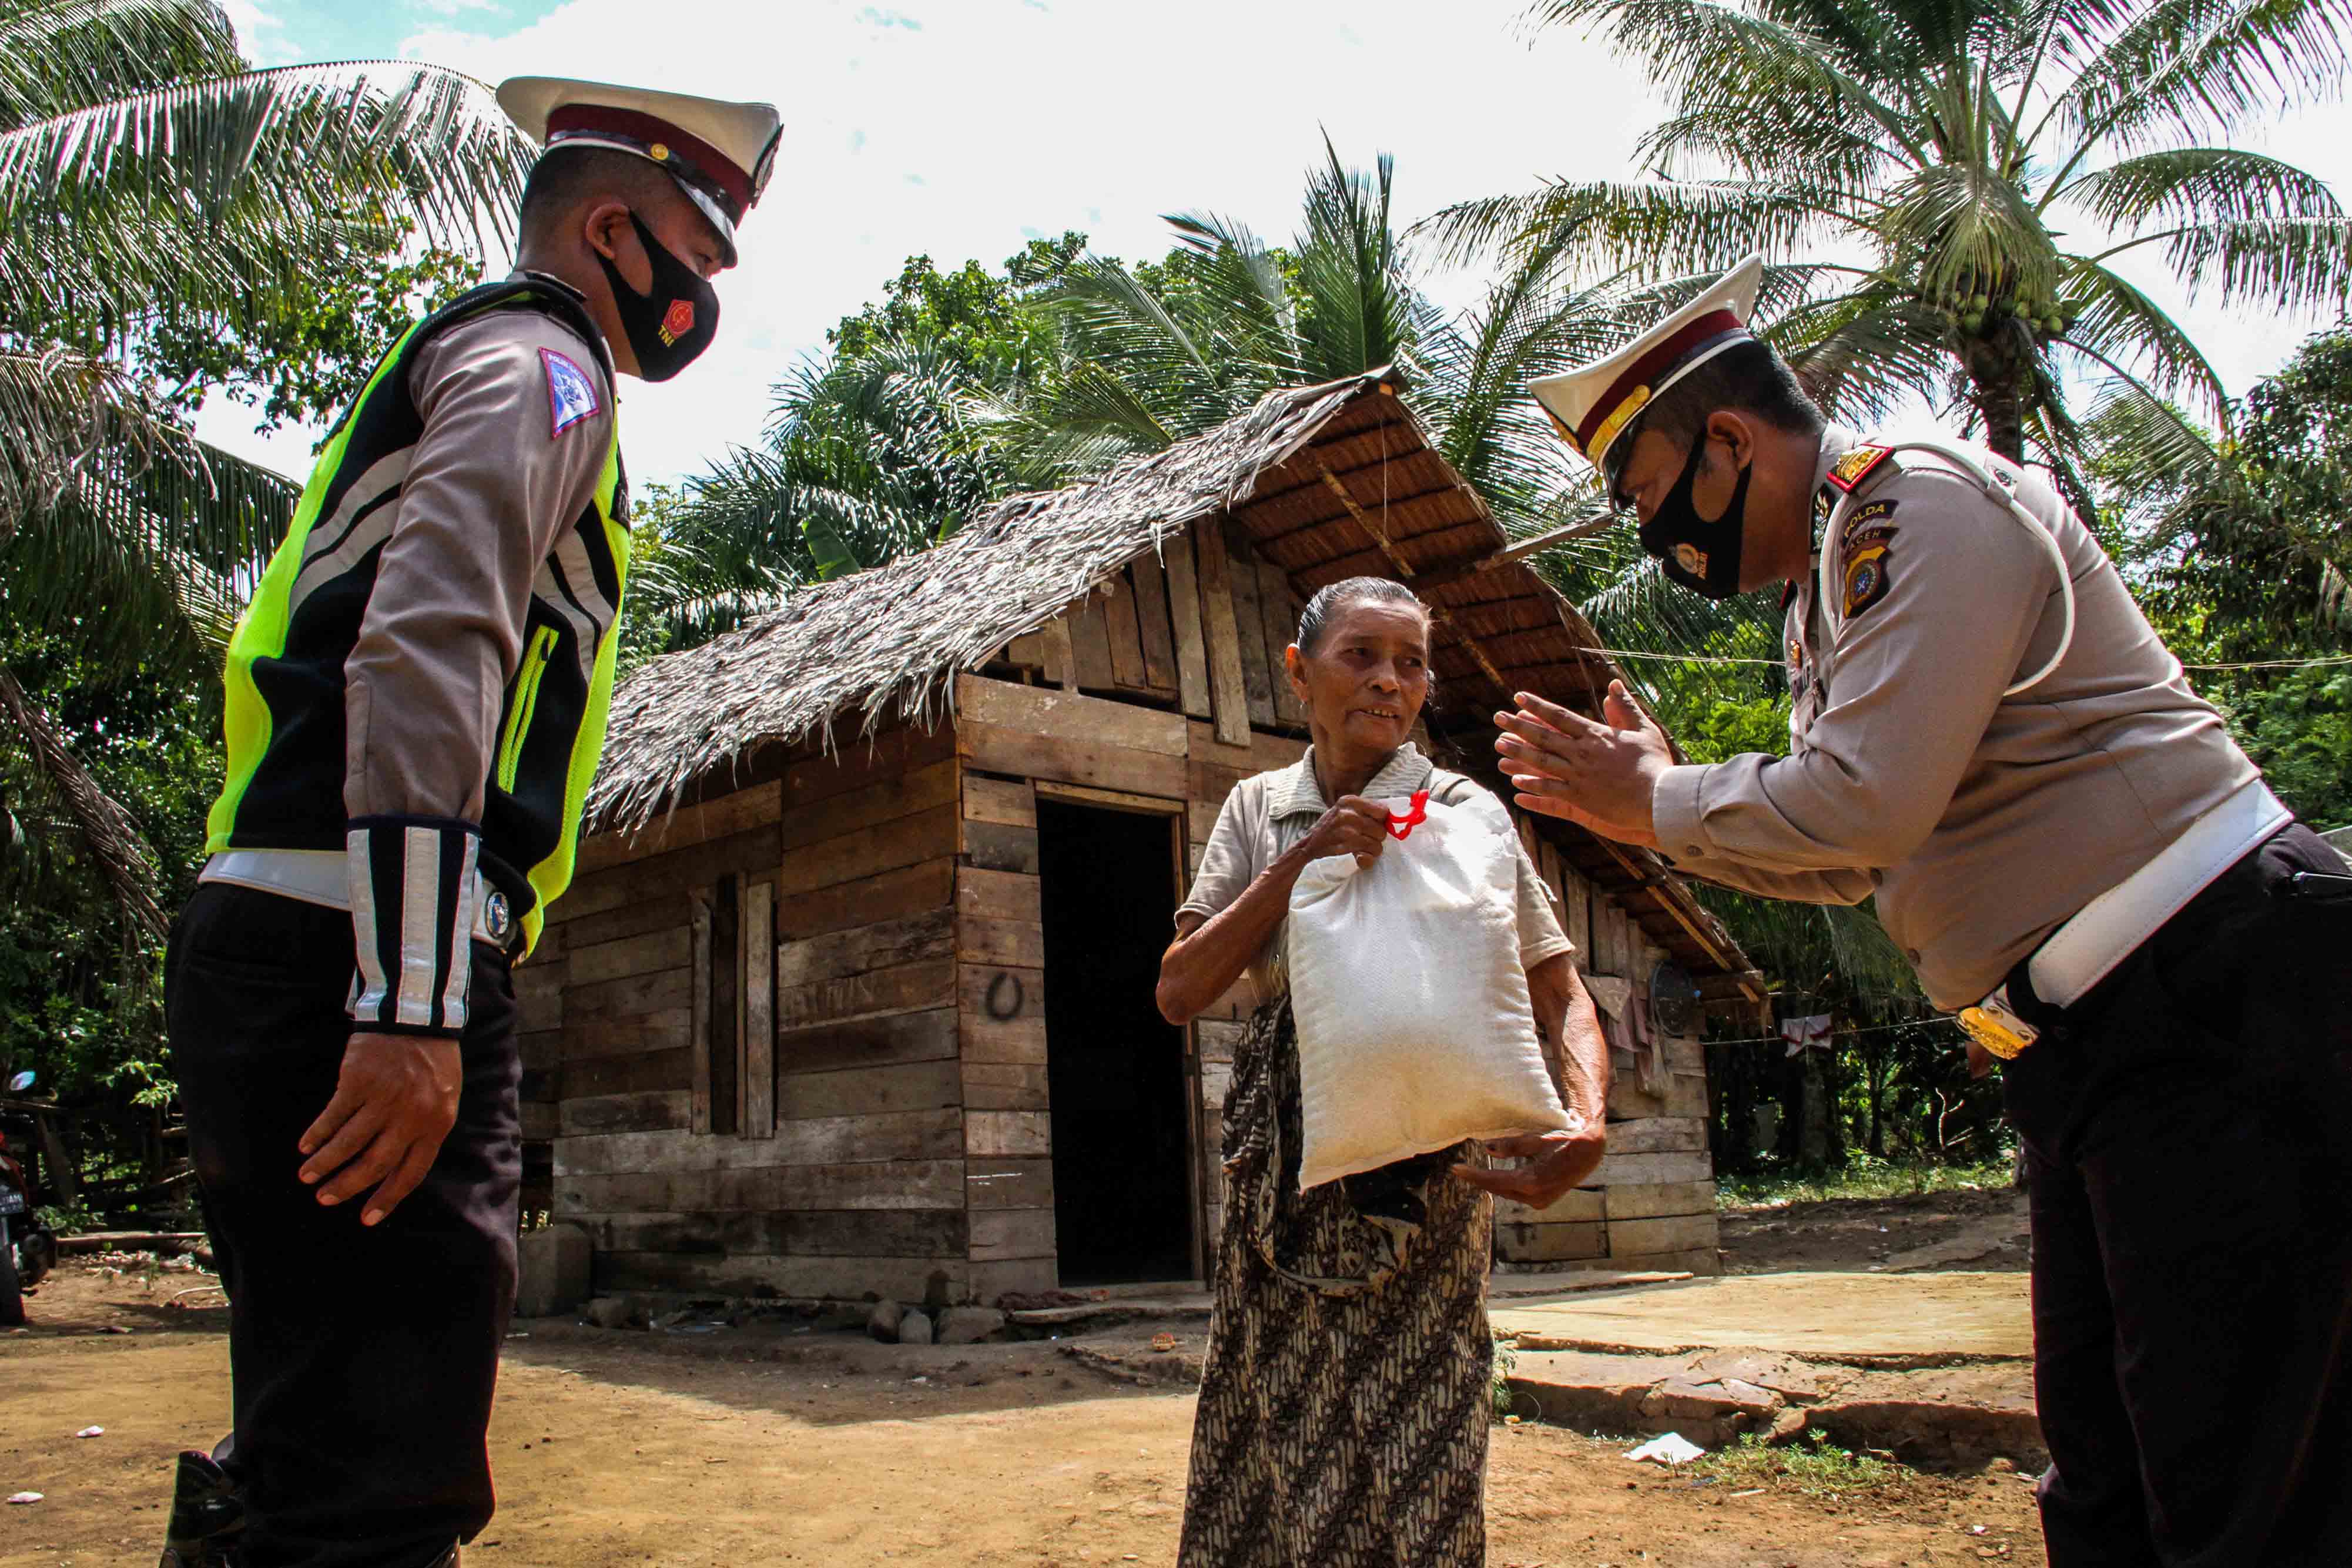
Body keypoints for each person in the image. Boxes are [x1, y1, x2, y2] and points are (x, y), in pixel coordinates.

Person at [1502, 254, 2352, 1566]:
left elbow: (1864, 805)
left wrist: (1657, 800)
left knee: (2233, 1482)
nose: (1649, 534)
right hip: (2100, 1044)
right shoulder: (1824, 592)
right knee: (2108, 1481)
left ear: (1728, 441)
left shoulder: (1918, 504)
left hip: (2213, 992)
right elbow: (1851, 862)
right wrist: (1658, 807)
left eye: (1646, 491)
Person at [157, 78, 780, 1568]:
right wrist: (412, 994)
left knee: (319, 1443)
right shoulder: (545, 367)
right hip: (356, 949)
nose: (707, 292)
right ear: (613, 229)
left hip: (309, 931)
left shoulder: (488, 359)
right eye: (702, 251)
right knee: (377, 1486)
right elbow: (430, 641)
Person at [1156, 575, 1610, 1566]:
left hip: (1429, 1172)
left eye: (1410, 663)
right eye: (1360, 655)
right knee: (1275, 1426)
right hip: (1279, 1170)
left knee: (1424, 1428)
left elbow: (1561, 991)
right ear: (1299, 674)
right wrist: (1300, 862)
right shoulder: (1258, 808)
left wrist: (1585, 1117)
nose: (1388, 682)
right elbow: (1180, 990)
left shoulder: (1462, 813)